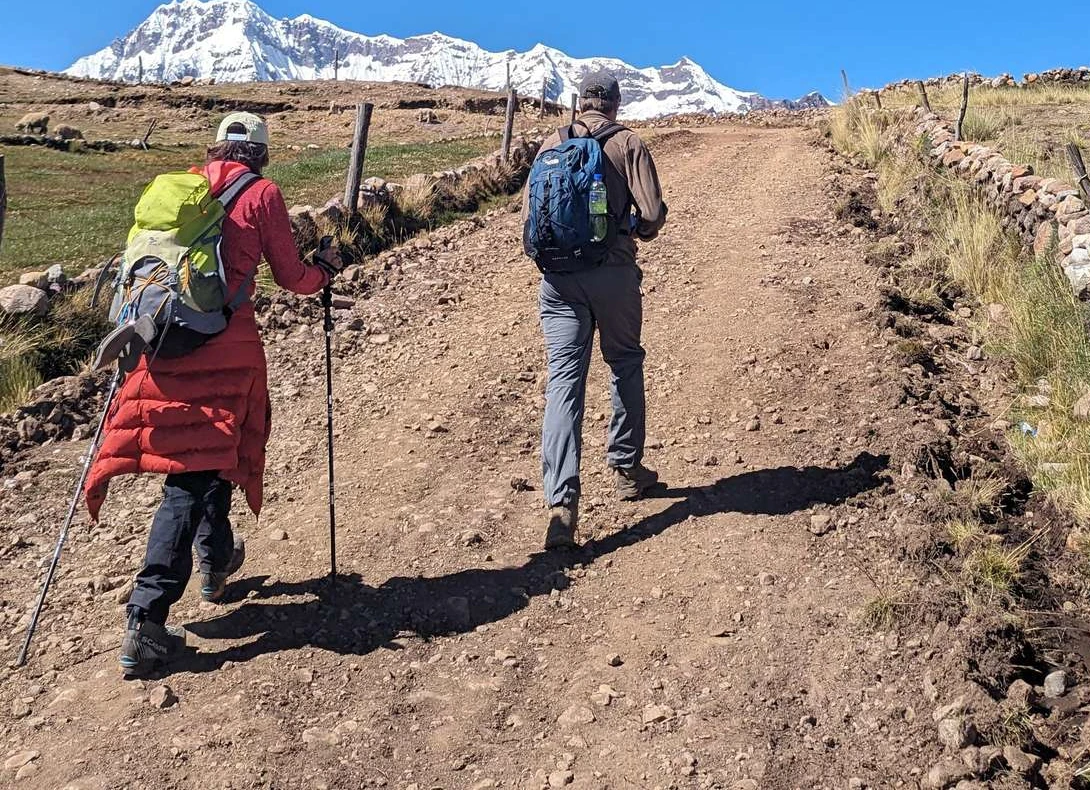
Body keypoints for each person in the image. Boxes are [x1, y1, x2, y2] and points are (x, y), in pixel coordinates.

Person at [84, 112, 344, 676]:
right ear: (262, 153)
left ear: (216, 148)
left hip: (161, 349)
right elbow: (292, 277)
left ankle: (214, 563)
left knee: (208, 462)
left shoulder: (185, 189)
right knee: (193, 475)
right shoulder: (264, 195)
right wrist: (324, 270)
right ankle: (146, 621)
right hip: (224, 354)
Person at [525, 71, 668, 550]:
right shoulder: (628, 144)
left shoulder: (551, 141)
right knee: (624, 363)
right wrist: (631, 231)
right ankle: (627, 470)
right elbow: (650, 215)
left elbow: (531, 216)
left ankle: (561, 504)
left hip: (559, 280)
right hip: (613, 274)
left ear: (580, 101)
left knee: (564, 381)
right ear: (615, 103)